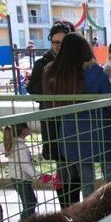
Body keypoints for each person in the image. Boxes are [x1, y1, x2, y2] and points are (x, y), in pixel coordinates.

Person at [42, 33, 111, 206]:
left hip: (71, 134)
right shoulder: (94, 71)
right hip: (100, 131)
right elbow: (109, 101)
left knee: (86, 181)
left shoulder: (56, 74)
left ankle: (89, 214)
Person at [28, 21, 74, 206]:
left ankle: (75, 207)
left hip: (73, 120)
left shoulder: (76, 63)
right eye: (55, 42)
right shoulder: (43, 63)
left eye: (62, 42)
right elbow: (32, 88)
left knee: (75, 167)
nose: (58, 46)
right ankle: (66, 209)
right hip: (53, 123)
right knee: (62, 168)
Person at [0, 124, 38, 219]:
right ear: (23, 130)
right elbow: (25, 166)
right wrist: (39, 176)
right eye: (27, 127)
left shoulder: (12, 144)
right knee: (30, 203)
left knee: (29, 202)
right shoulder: (21, 147)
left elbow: (1, 147)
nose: (29, 129)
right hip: (22, 179)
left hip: (16, 178)